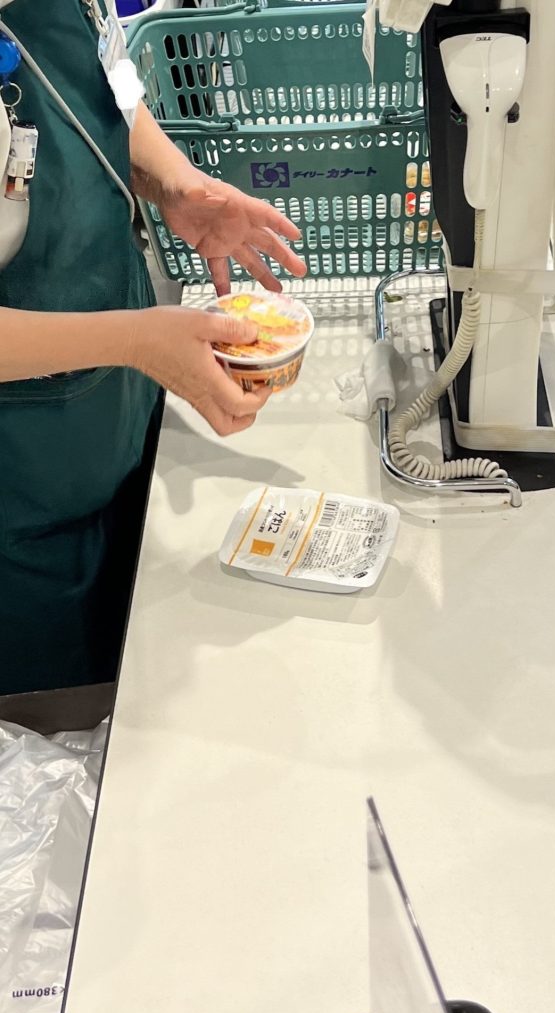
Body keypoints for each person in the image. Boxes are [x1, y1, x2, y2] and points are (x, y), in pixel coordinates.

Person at [0, 0, 306, 713]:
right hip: (22, 487)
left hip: (117, 405)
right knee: (71, 716)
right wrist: (136, 340)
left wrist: (177, 184)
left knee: (149, 637)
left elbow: (102, 79)